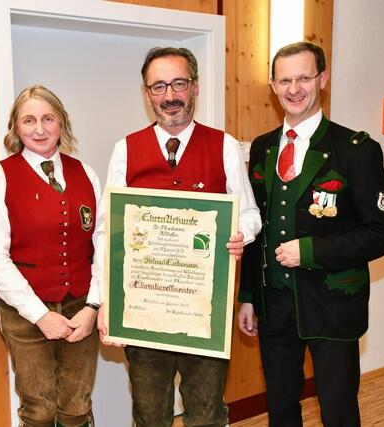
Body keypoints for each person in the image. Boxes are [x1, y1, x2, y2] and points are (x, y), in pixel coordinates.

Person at [97, 47, 262, 427]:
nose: (169, 95)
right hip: (144, 310)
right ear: (147, 94)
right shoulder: (125, 150)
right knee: (150, 415)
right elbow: (107, 230)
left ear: (195, 87)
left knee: (206, 414)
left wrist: (241, 234)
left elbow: (250, 214)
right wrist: (109, 302)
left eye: (178, 83)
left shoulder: (224, 146)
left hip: (204, 313)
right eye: (158, 86)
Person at [237, 41, 384, 426]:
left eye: (304, 78)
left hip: (333, 305)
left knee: (338, 411)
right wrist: (248, 296)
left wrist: (310, 251)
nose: (294, 89)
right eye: (284, 80)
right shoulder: (262, 148)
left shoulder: (356, 149)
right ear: (273, 86)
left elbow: (380, 234)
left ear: (322, 79)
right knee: (280, 409)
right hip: (274, 305)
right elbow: (256, 226)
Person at [0, 85, 101, 427]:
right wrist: (40, 315)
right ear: (16, 127)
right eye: (29, 120)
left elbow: (102, 245)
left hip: (80, 307)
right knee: (38, 408)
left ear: (62, 122)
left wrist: (93, 307)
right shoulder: (1, 176)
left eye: (48, 119)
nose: (39, 129)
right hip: (24, 311)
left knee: (77, 406)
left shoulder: (86, 173)